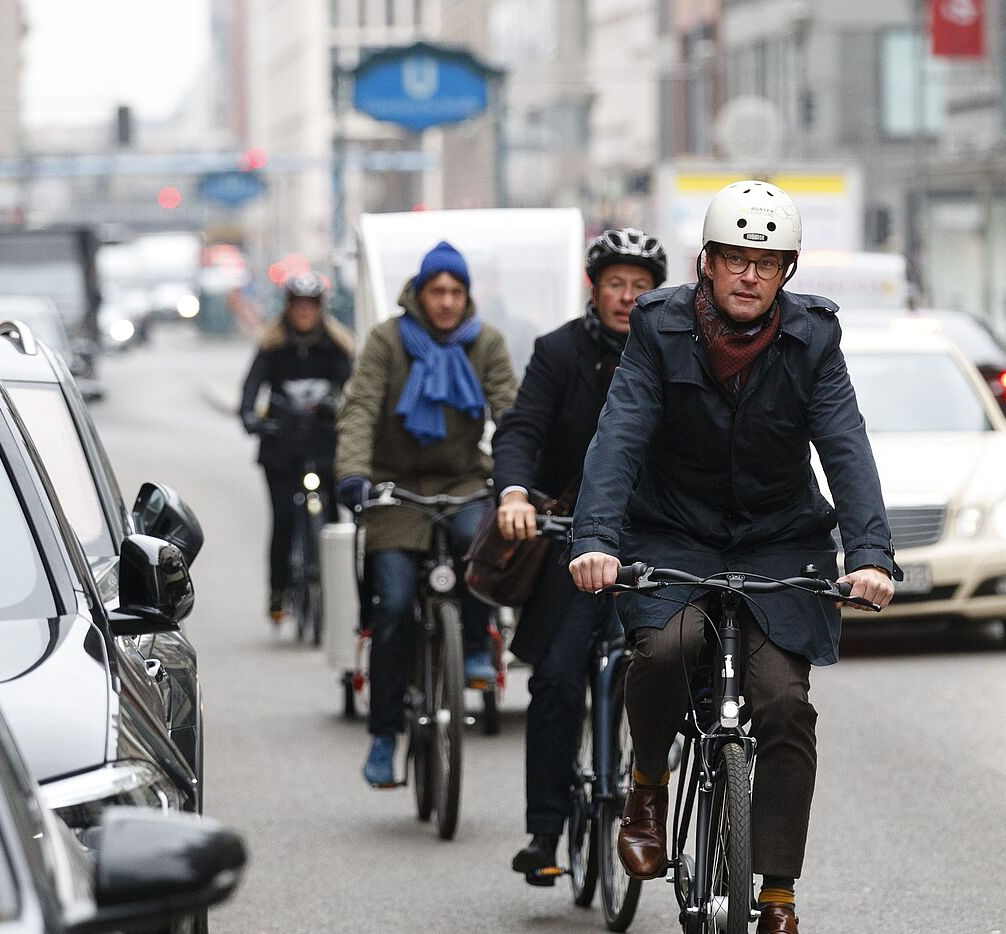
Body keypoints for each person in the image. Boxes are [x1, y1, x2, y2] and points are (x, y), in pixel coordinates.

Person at [568, 181, 899, 934]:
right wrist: (595, 542)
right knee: (665, 648)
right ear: (707, 264)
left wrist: (870, 551)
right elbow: (619, 435)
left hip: (779, 538)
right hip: (671, 531)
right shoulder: (658, 327)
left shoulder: (813, 339)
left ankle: (777, 892)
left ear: (787, 271)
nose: (751, 277)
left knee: (784, 703)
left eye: (769, 262)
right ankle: (648, 786)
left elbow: (845, 444)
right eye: (737, 260)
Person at [490, 228, 667, 883]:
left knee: (673, 665)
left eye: (640, 287)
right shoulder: (559, 352)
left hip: (654, 541)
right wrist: (514, 492)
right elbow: (522, 430)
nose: (626, 298)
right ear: (594, 289)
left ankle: (670, 788)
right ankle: (546, 831)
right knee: (557, 679)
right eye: (615, 285)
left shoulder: (680, 350)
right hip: (571, 538)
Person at [335, 240, 519, 786]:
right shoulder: (387, 341)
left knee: (480, 546)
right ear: (419, 293)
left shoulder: (485, 342)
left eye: (455, 291)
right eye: (436, 290)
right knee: (391, 607)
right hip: (396, 490)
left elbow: (511, 412)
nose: (445, 301)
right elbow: (361, 407)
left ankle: (480, 646)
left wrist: (517, 480)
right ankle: (384, 735)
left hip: (462, 481)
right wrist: (354, 473)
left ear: (467, 296)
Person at [238, 271, 354, 623]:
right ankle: (278, 591)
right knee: (285, 520)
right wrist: (250, 418)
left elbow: (358, 391)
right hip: (281, 448)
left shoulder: (338, 346)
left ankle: (337, 595)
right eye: (298, 306)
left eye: (311, 306)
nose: (305, 312)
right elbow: (250, 388)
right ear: (288, 308)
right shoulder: (272, 346)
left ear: (320, 309)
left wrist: (344, 412)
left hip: (323, 445)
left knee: (332, 519)